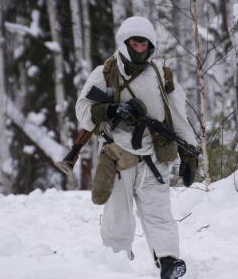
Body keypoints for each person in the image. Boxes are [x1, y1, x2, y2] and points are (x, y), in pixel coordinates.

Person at [75, 16, 198, 279]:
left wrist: (189, 153)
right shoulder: (104, 74)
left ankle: (169, 262)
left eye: (144, 44)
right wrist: (111, 109)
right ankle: (114, 268)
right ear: (124, 42)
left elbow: (178, 117)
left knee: (159, 213)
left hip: (154, 157)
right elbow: (83, 113)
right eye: (135, 43)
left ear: (151, 45)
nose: (139, 48)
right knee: (117, 219)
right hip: (118, 157)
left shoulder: (162, 76)